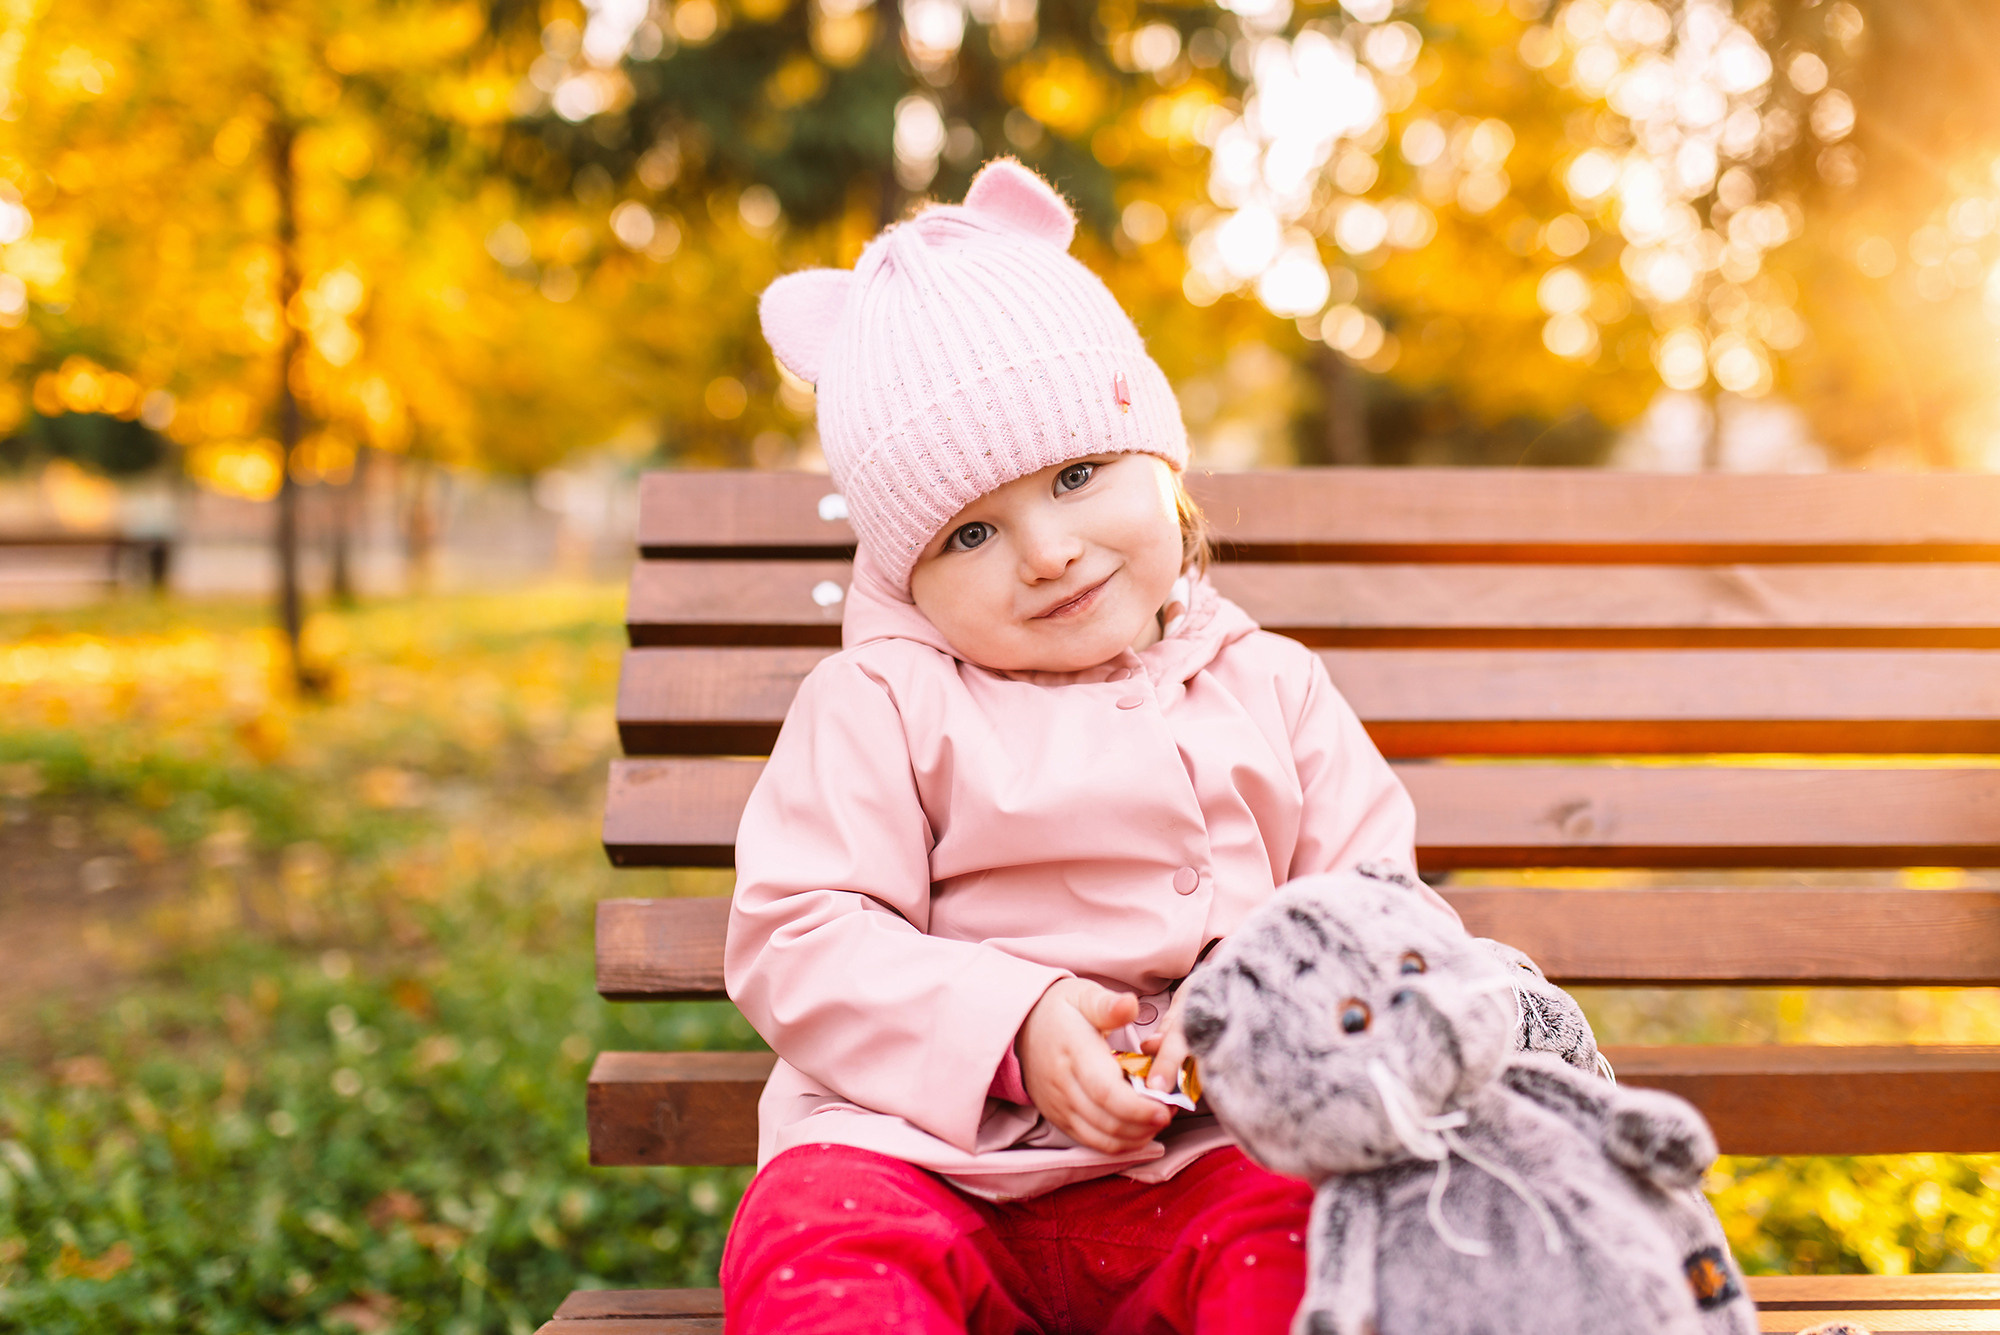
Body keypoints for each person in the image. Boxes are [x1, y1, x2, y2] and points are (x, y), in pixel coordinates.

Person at [720, 158, 1448, 1334]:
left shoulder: (1272, 687)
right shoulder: (879, 704)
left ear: (1160, 467)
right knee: (816, 1239)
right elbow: (800, 934)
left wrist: (1248, 1016)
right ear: (903, 572)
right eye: (969, 532)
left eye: (1074, 475)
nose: (1048, 550)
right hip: (921, 1161)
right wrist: (1010, 1024)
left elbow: (1374, 915)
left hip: (1210, 1155)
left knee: (1326, 1243)